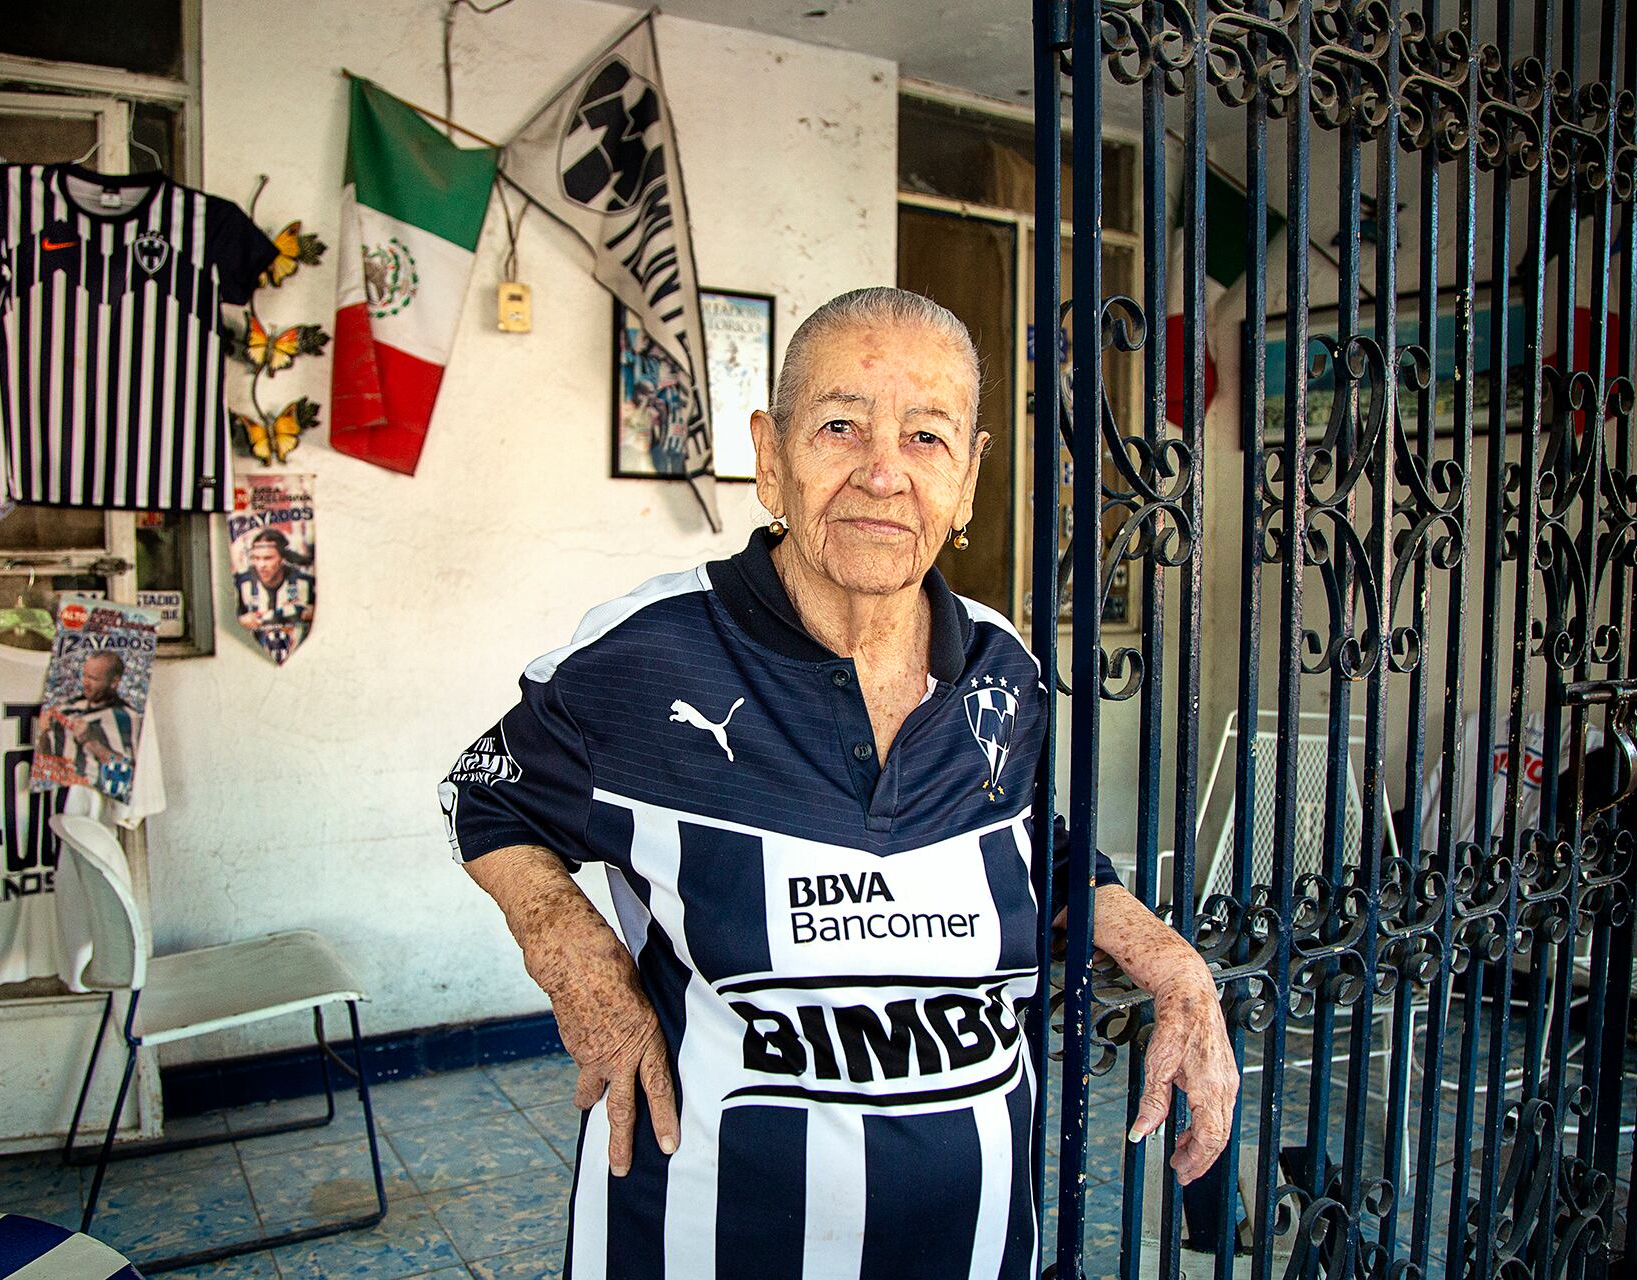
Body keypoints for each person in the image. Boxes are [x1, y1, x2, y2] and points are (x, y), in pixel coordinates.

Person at [440, 288, 1239, 1276]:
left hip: (980, 1243)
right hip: (698, 1239)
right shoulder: (650, 658)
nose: (882, 472)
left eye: (926, 437)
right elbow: (486, 794)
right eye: (839, 426)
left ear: (972, 481)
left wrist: (1177, 968)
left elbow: (1040, 850)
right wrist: (582, 967)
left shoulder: (1001, 666)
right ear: (770, 458)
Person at [36, 651, 136, 792]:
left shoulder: (128, 717)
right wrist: (43, 734)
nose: (85, 683)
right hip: (63, 799)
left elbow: (129, 777)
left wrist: (93, 743)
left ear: (114, 682)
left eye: (93, 678)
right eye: (85, 676)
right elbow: (44, 767)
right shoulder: (66, 709)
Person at [235, 528, 315, 635]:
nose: (261, 565)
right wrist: (240, 621)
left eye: (268, 558)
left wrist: (315, 613)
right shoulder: (241, 583)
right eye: (256, 558)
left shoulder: (304, 582)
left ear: (282, 559)